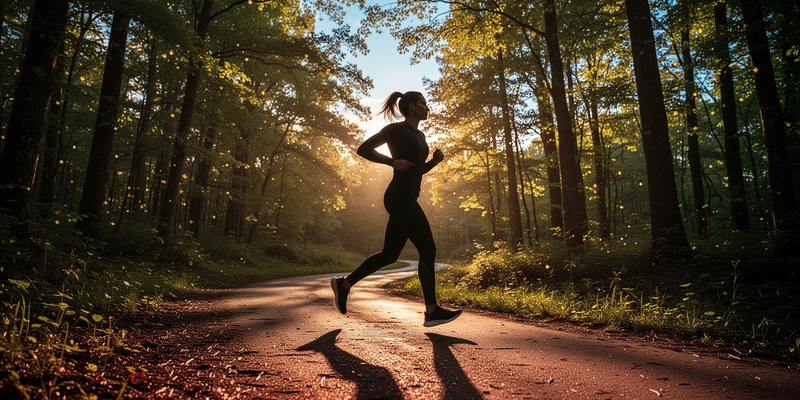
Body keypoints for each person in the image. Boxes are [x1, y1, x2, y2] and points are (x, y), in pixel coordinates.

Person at [331, 91, 462, 327]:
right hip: (398, 197)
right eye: (423, 103)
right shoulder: (395, 130)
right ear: (412, 106)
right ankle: (431, 311)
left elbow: (415, 171)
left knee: (390, 255)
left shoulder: (421, 136)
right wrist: (391, 162)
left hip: (407, 196)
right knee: (428, 249)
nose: (427, 107)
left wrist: (432, 163)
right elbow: (363, 149)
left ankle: (344, 284)